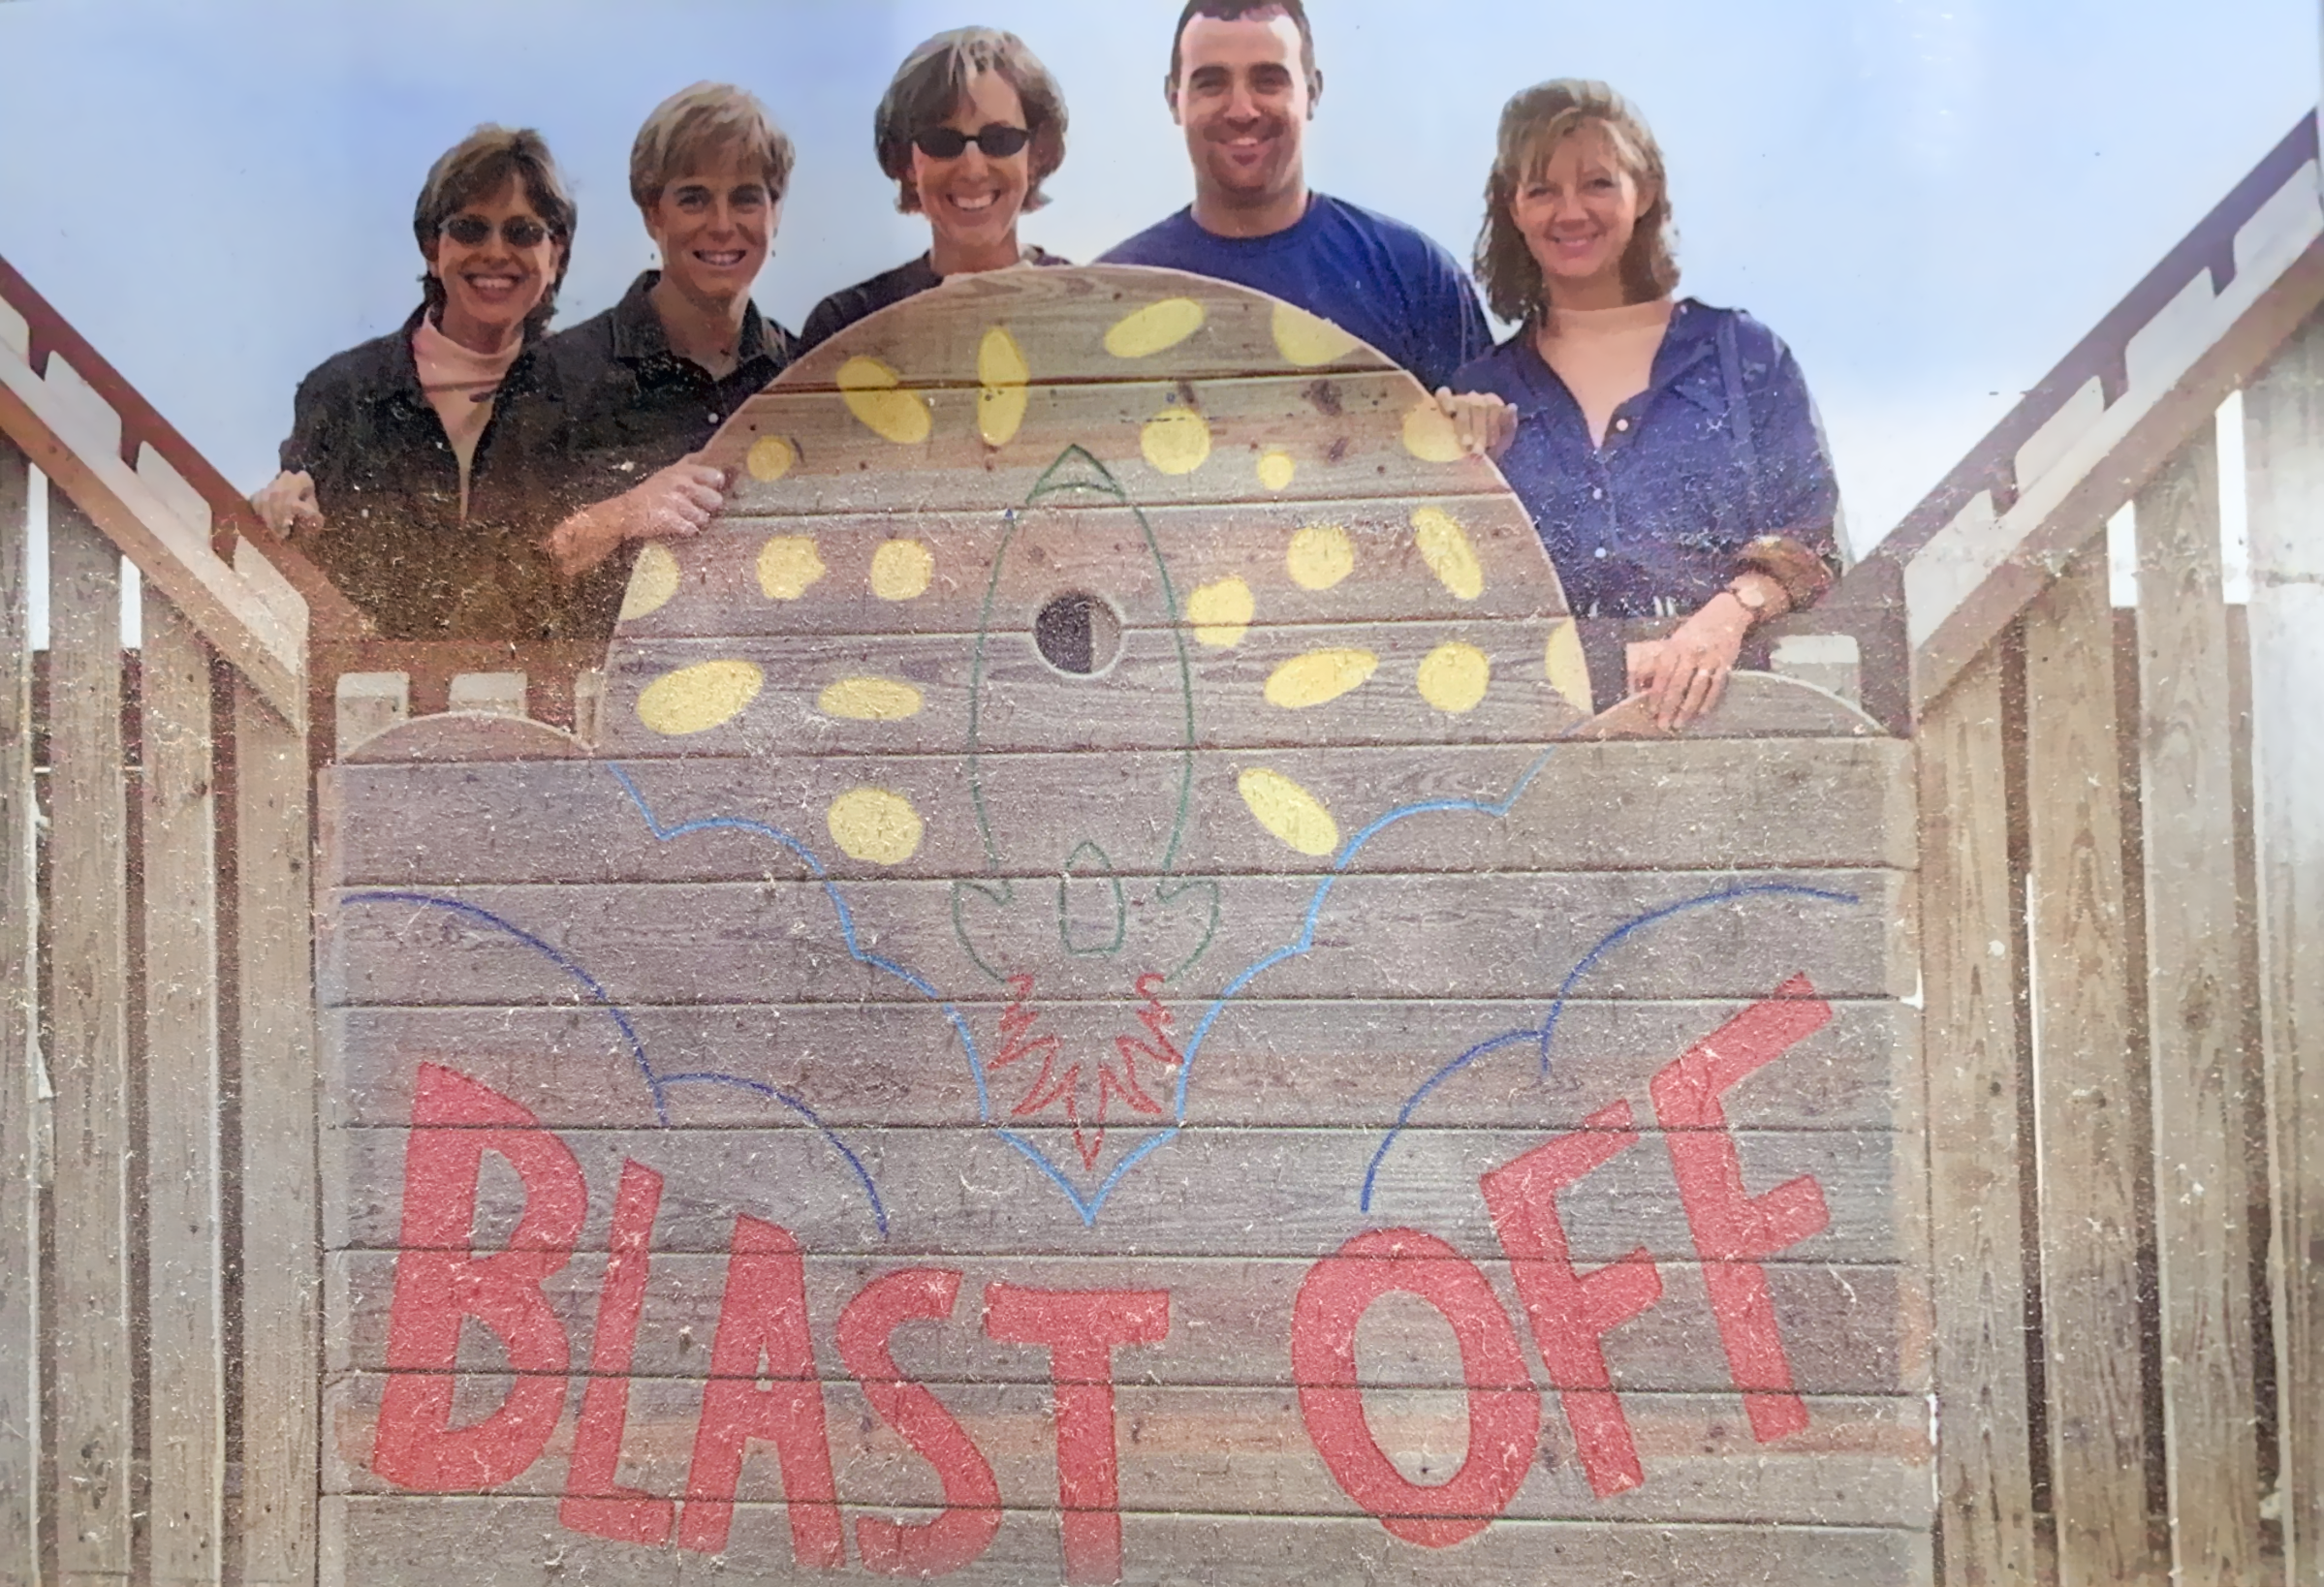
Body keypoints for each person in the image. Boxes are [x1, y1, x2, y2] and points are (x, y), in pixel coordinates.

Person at [1445, 79, 1841, 730]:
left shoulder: (1743, 356)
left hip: (1733, 734)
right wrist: (1458, 467)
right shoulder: (1480, 392)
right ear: (1513, 208)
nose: (1570, 211)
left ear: (1647, 191)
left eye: (1598, 183)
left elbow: (1813, 540)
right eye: (1542, 190)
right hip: (1540, 743)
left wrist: (1724, 620)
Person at [251, 125, 581, 638]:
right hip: (375, 681)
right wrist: (277, 513)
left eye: (523, 232)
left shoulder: (593, 395)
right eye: (470, 229)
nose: (496, 252)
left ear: (555, 255)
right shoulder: (342, 392)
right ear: (432, 248)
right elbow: (299, 545)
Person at [1097, 0, 1490, 392]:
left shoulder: (1415, 276)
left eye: (1268, 80)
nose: (1242, 110)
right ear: (1174, 99)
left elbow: (1487, 426)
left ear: (1312, 93)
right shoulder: (1107, 294)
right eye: (1211, 83)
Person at [523, 82, 799, 601]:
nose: (722, 225)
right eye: (694, 198)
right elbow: (499, 583)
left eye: (746, 198)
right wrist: (622, 514)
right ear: (653, 213)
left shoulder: (803, 376)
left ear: (776, 211)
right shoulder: (555, 374)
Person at [798, 26, 1071, 351]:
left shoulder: (1095, 304)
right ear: (907, 163)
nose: (973, 169)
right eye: (942, 141)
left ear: (1036, 154)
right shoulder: (844, 325)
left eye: (1000, 139)